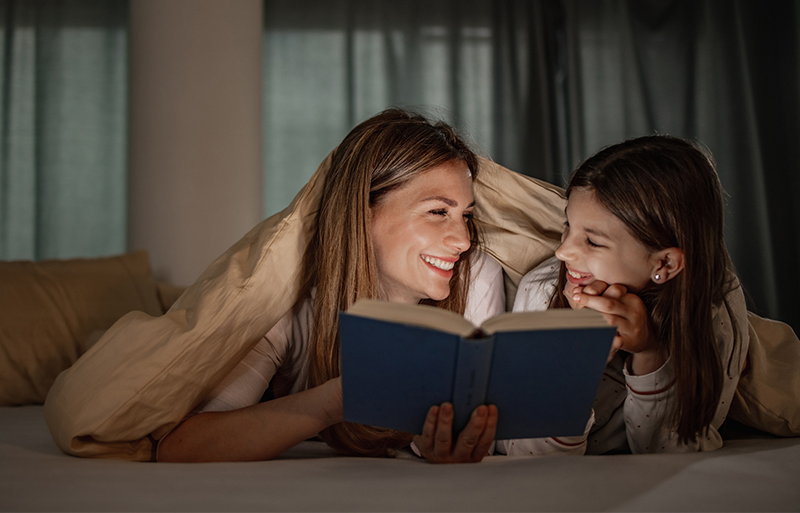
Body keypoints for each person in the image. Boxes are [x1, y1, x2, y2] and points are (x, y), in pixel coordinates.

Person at [158, 108, 506, 463]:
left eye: (466, 215)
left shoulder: (477, 276)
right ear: (363, 212)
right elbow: (183, 446)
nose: (463, 240)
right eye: (437, 212)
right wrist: (335, 401)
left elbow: (470, 436)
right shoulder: (294, 297)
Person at [502, 135, 749, 455]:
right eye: (568, 225)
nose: (563, 251)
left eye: (592, 241)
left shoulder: (716, 311)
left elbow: (671, 456)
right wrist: (577, 365)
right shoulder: (543, 290)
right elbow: (529, 458)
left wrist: (650, 353)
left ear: (665, 262)